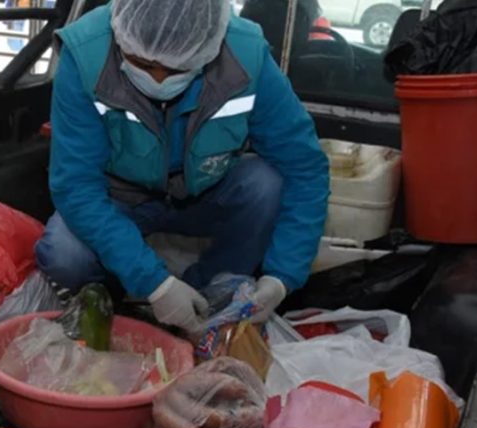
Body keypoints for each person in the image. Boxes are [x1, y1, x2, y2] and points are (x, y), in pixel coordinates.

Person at [35, 0, 329, 333]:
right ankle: (114, 303)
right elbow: (76, 185)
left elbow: (304, 167)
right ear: (119, 32)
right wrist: (155, 284)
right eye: (141, 62)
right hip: (120, 199)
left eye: (177, 69)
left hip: (206, 192)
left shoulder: (246, 55)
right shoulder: (85, 54)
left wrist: (282, 277)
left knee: (265, 184)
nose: (158, 79)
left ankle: (211, 300)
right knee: (63, 253)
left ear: (211, 47)